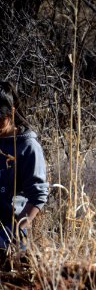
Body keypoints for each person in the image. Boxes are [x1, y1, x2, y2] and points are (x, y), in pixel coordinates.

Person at [0, 81, 49, 252]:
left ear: (11, 113)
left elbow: (38, 196)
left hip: (8, 234)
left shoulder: (27, 146)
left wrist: (13, 233)